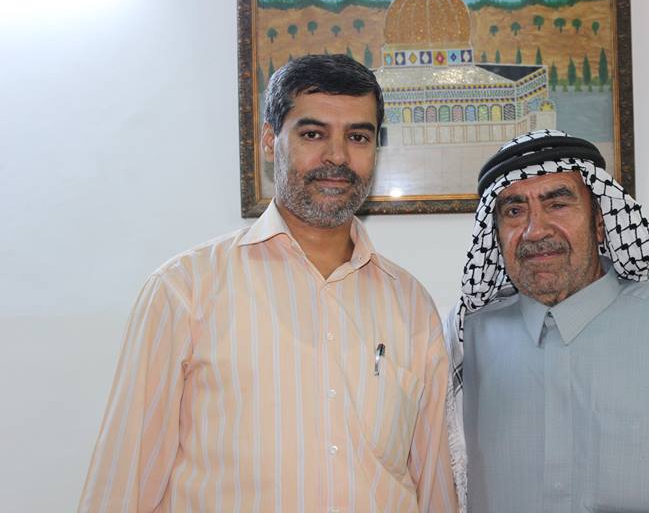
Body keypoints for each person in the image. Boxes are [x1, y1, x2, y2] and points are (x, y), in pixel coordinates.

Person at [79, 54, 457, 512]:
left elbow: (434, 485)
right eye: (313, 134)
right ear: (268, 140)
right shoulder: (185, 290)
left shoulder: (411, 305)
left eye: (357, 137)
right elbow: (124, 482)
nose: (337, 157)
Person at [445, 129, 649, 513]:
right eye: (514, 211)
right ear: (496, 235)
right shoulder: (467, 340)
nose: (536, 230)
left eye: (558, 204)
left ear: (600, 221)